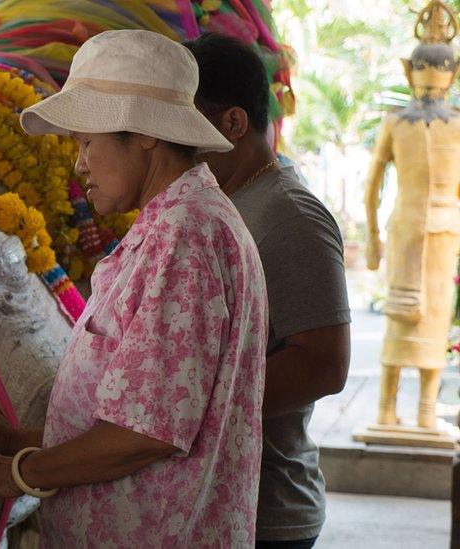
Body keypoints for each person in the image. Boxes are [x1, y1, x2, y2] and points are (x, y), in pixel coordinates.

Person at [0, 29, 269, 546]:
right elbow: (137, 413)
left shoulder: (185, 234)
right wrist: (16, 441)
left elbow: (145, 434)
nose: (79, 164)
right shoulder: (176, 224)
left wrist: (11, 473)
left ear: (143, 132)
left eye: (86, 142)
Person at [184, 33, 352, 548]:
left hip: (266, 514)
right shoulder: (220, 197)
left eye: (183, 123)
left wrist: (189, 411)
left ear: (233, 123)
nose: (167, 141)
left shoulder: (290, 215)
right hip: (203, 502)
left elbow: (325, 363)